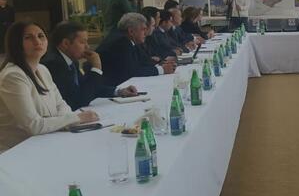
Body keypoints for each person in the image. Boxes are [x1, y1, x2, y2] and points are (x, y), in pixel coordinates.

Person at [0, 21, 98, 153]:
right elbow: (33, 125)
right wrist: (77, 118)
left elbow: (61, 105)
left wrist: (70, 121)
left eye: (41, 36)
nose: (37, 41)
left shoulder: (43, 69)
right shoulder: (12, 76)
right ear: (16, 43)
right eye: (28, 37)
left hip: (46, 143)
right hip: (17, 152)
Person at [41, 22, 139, 111]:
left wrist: (119, 91)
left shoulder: (71, 61)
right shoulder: (54, 64)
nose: (87, 46)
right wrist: (96, 68)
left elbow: (86, 87)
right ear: (66, 43)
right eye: (82, 42)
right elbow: (78, 100)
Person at [96, 13, 176, 86]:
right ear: (131, 31)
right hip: (109, 87)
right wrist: (161, 69)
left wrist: (161, 64)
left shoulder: (126, 39)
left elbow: (141, 62)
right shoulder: (121, 42)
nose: (145, 33)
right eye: (143, 29)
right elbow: (132, 71)